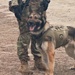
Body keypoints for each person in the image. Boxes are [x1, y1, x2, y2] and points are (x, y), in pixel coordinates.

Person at [8, 0, 50, 73]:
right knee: (25, 36)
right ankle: (23, 64)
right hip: (25, 7)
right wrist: (15, 5)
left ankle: (38, 60)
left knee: (38, 34)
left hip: (39, 5)